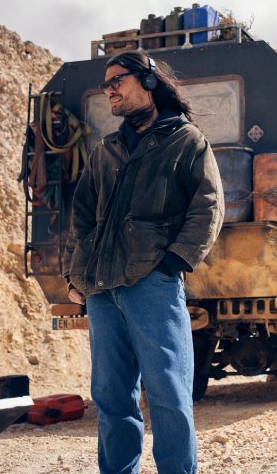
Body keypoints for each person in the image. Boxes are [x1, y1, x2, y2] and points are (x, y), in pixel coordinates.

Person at [64, 50, 224, 473]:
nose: (109, 90)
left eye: (117, 80)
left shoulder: (186, 141)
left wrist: (172, 264)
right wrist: (76, 273)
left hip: (152, 284)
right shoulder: (107, 149)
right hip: (102, 290)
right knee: (111, 397)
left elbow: (208, 208)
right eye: (105, 84)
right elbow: (82, 215)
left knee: (168, 393)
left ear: (149, 81)